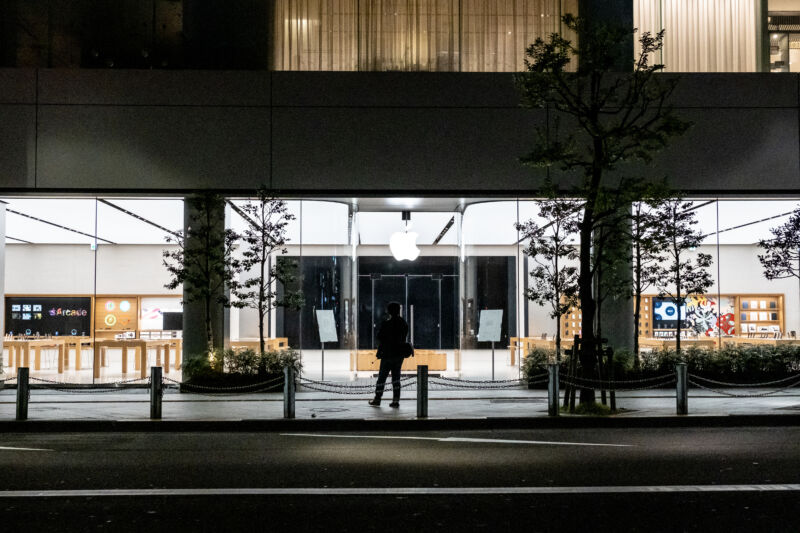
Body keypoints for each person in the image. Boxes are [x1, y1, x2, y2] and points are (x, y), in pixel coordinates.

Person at [369, 301, 409, 408]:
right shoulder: (403, 323)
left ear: (389, 311)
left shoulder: (386, 324)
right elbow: (404, 337)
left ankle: (377, 399)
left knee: (382, 377)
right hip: (399, 354)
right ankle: (396, 400)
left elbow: (380, 337)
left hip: (387, 354)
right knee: (396, 378)